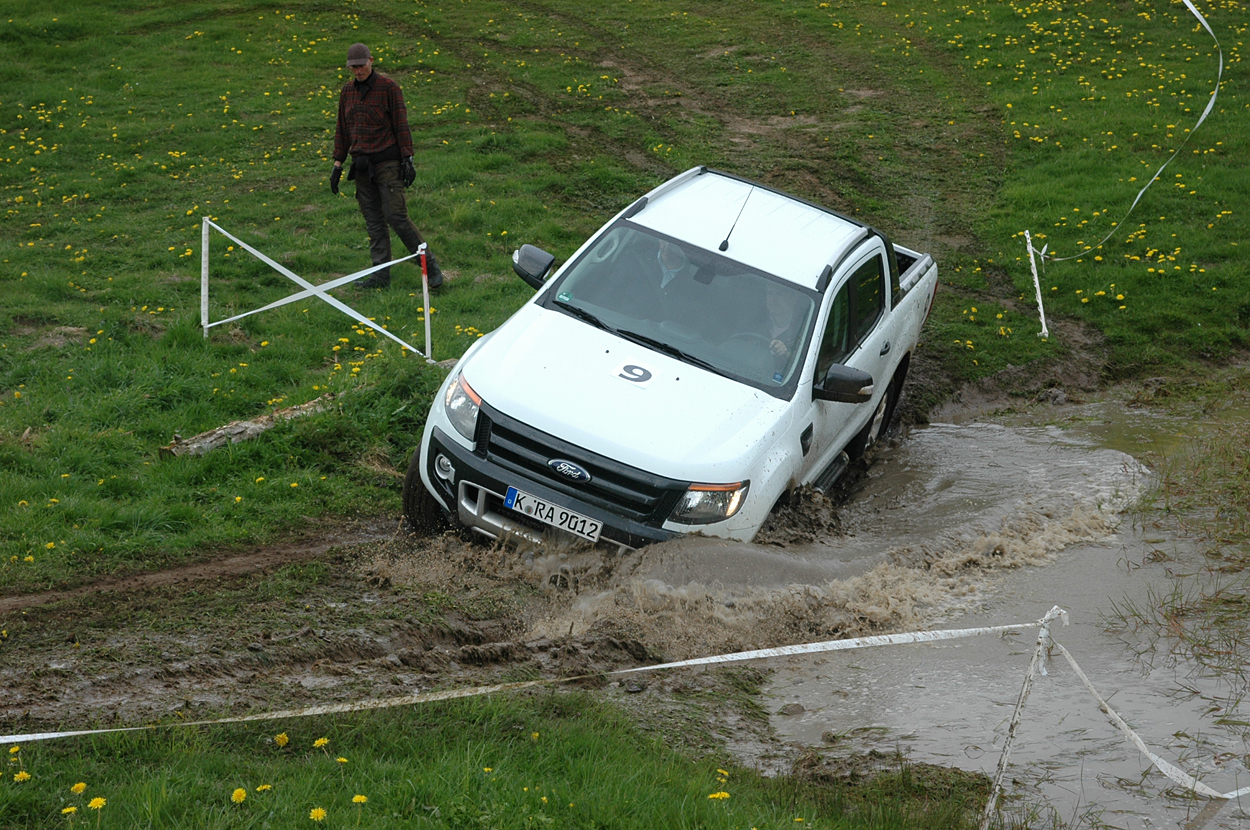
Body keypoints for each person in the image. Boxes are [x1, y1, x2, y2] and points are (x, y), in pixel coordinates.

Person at [331, 43, 443, 290]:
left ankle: (430, 265)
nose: (358, 71)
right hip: (361, 166)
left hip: (387, 163)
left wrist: (408, 159)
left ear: (371, 61)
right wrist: (337, 164)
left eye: (361, 66)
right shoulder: (347, 92)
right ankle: (380, 276)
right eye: (353, 67)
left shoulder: (389, 88)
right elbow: (342, 129)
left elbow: (401, 125)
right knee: (373, 221)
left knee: (396, 216)